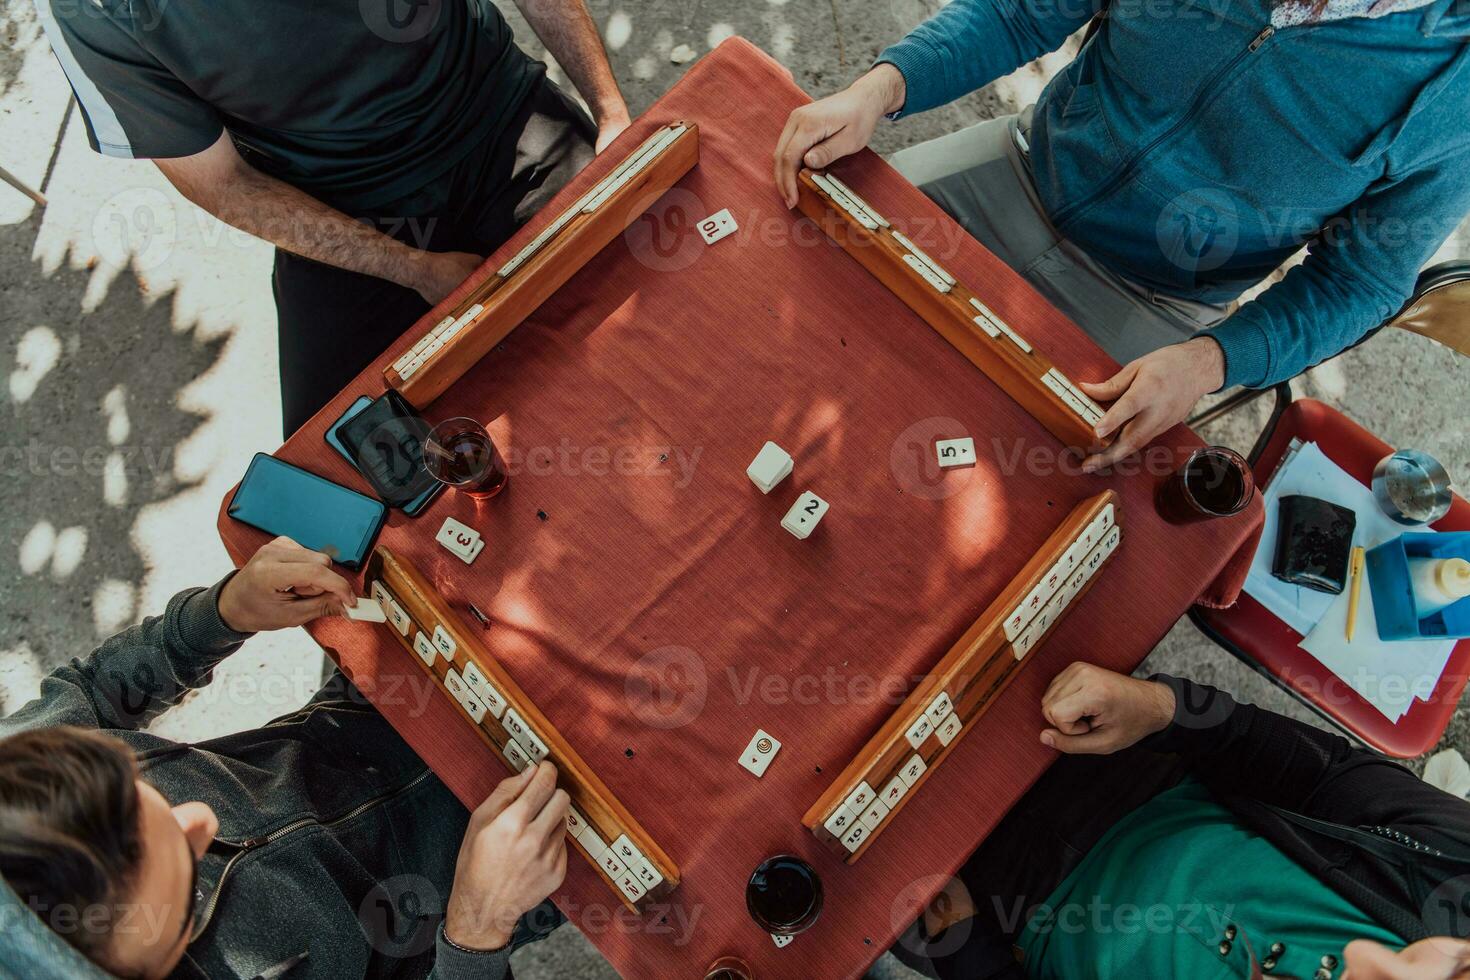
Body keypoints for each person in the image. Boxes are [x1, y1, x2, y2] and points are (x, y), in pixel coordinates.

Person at [772, 0, 1470, 473]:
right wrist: (879, 88)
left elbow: (1361, 281)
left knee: (971, 478)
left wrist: (1207, 363)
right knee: (782, 290)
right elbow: (1020, 13)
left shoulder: (1457, 89)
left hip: (1151, 305)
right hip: (1010, 167)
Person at [35, 0, 630, 434]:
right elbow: (220, 183)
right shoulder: (88, 9)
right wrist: (414, 269)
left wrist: (610, 115)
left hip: (498, 111)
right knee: (342, 464)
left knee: (653, 300)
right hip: (339, 204)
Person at [0, 536, 571, 979]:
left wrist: (222, 612)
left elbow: (96, 692)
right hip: (540, 866)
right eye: (185, 912)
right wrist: (478, 928)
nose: (201, 821)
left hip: (385, 706)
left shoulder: (15, 787)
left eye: (139, 788)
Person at [892, 661, 1470, 979]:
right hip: (1139, 779)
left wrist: (962, 946)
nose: (1364, 953)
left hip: (1008, 925)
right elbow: (1320, 772)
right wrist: (1161, 710)